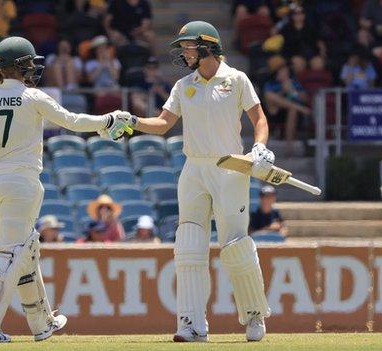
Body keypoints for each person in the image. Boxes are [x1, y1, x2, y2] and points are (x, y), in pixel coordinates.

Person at [0, 36, 131, 343]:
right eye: (28, 64)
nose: (32, 70)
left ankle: (41, 322)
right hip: (21, 184)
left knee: (26, 249)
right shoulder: (33, 97)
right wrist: (108, 120)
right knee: (11, 251)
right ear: (19, 66)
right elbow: (73, 121)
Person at [103, 21, 273, 342]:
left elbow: (259, 119)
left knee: (235, 247)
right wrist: (133, 121)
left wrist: (260, 147)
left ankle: (253, 316)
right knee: (188, 246)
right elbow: (163, 124)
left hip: (230, 167)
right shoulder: (184, 85)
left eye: (188, 46)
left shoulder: (236, 79)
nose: (183, 52)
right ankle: (191, 325)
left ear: (207, 46)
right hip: (193, 168)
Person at [263, 64, 310, 154]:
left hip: (292, 114)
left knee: (293, 109)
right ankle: (299, 108)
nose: (284, 74)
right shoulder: (271, 84)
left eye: (285, 72)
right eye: (281, 72)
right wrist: (283, 91)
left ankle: (289, 147)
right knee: (269, 96)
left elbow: (305, 98)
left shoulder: (294, 83)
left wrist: (292, 91)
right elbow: (268, 98)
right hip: (275, 111)